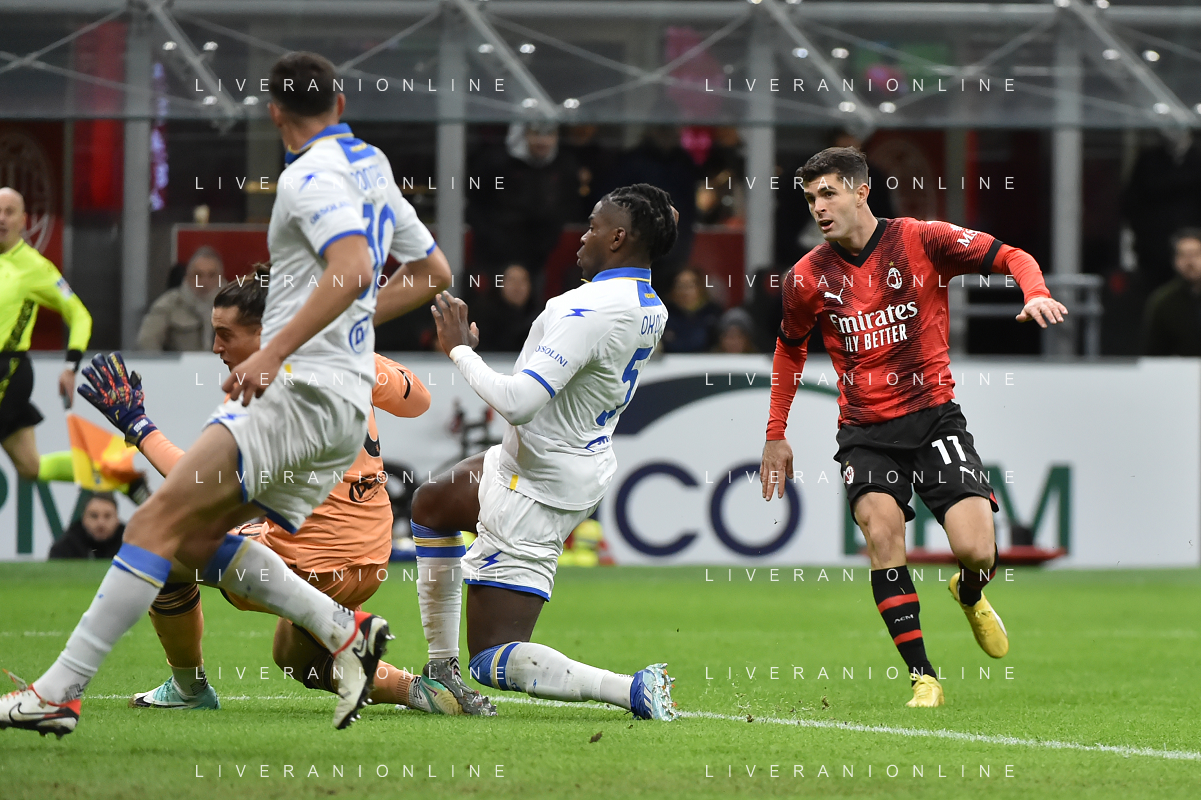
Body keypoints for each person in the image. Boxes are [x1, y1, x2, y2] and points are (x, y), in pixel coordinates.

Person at [0, 50, 438, 737]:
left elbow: (353, 267)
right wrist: (340, 334)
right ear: (340, 105)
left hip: (299, 396)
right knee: (195, 533)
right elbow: (431, 271)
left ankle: (58, 694)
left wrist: (277, 350)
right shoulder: (371, 166)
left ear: (273, 113)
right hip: (339, 411)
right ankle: (341, 631)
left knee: (154, 525)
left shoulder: (307, 175)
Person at [78, 275, 482, 716]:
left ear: (266, 333)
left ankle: (188, 689)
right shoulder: (343, 360)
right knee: (294, 656)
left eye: (226, 334)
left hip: (313, 563)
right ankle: (418, 691)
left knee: (165, 546)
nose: (215, 347)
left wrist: (138, 426)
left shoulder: (269, 397)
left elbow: (192, 483)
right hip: (369, 556)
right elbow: (418, 399)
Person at [760, 147, 1068, 708]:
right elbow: (789, 350)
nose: (818, 207)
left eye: (828, 193)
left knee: (977, 551)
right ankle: (923, 677)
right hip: (865, 430)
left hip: (934, 419)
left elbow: (1012, 256)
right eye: (809, 198)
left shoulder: (921, 239)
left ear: (861, 191)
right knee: (882, 536)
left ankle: (969, 592)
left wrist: (1036, 291)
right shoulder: (806, 277)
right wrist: (775, 433)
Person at [412, 183, 680, 721]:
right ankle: (441, 672)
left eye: (593, 226)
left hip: (535, 486)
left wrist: (459, 350)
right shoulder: (650, 304)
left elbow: (519, 403)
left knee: (492, 659)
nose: (582, 236)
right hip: (556, 461)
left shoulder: (590, 309)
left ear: (619, 238)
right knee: (433, 503)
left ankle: (631, 689)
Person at [0, 187, 93, 487]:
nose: (1, 218)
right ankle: (109, 469)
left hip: (8, 370)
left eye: (9, 212)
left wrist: (71, 366)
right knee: (31, 466)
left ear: (23, 221)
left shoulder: (35, 267)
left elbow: (79, 315)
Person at [467, 122, 578, 285]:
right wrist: (493, 242)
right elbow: (476, 205)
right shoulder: (494, 162)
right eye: (536, 133)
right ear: (522, 134)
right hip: (493, 254)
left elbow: (565, 209)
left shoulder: (564, 165)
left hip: (537, 258)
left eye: (549, 134)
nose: (543, 141)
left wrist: (542, 247)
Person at [136, 246, 224, 351]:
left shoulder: (235, 305)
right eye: (198, 275)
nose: (205, 282)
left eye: (212, 275)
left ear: (221, 278)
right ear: (187, 277)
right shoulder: (168, 305)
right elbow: (146, 343)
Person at [1143, 228, 1201, 356]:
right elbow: (1154, 351)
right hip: (1179, 366)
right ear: (1175, 261)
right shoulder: (1163, 302)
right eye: (1183, 255)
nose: (1190, 262)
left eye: (1196, 254)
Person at [473, 264, 541, 352]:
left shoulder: (540, 316)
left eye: (522, 281)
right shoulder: (483, 315)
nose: (517, 287)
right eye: (511, 280)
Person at [662, 267, 722, 352]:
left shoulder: (713, 313)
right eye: (680, 286)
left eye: (690, 286)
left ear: (700, 288)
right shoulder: (664, 314)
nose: (685, 292)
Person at [48, 494, 124, 561]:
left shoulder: (128, 543)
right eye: (94, 516)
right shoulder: (66, 547)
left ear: (117, 519)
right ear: (84, 519)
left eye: (107, 516)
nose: (101, 523)